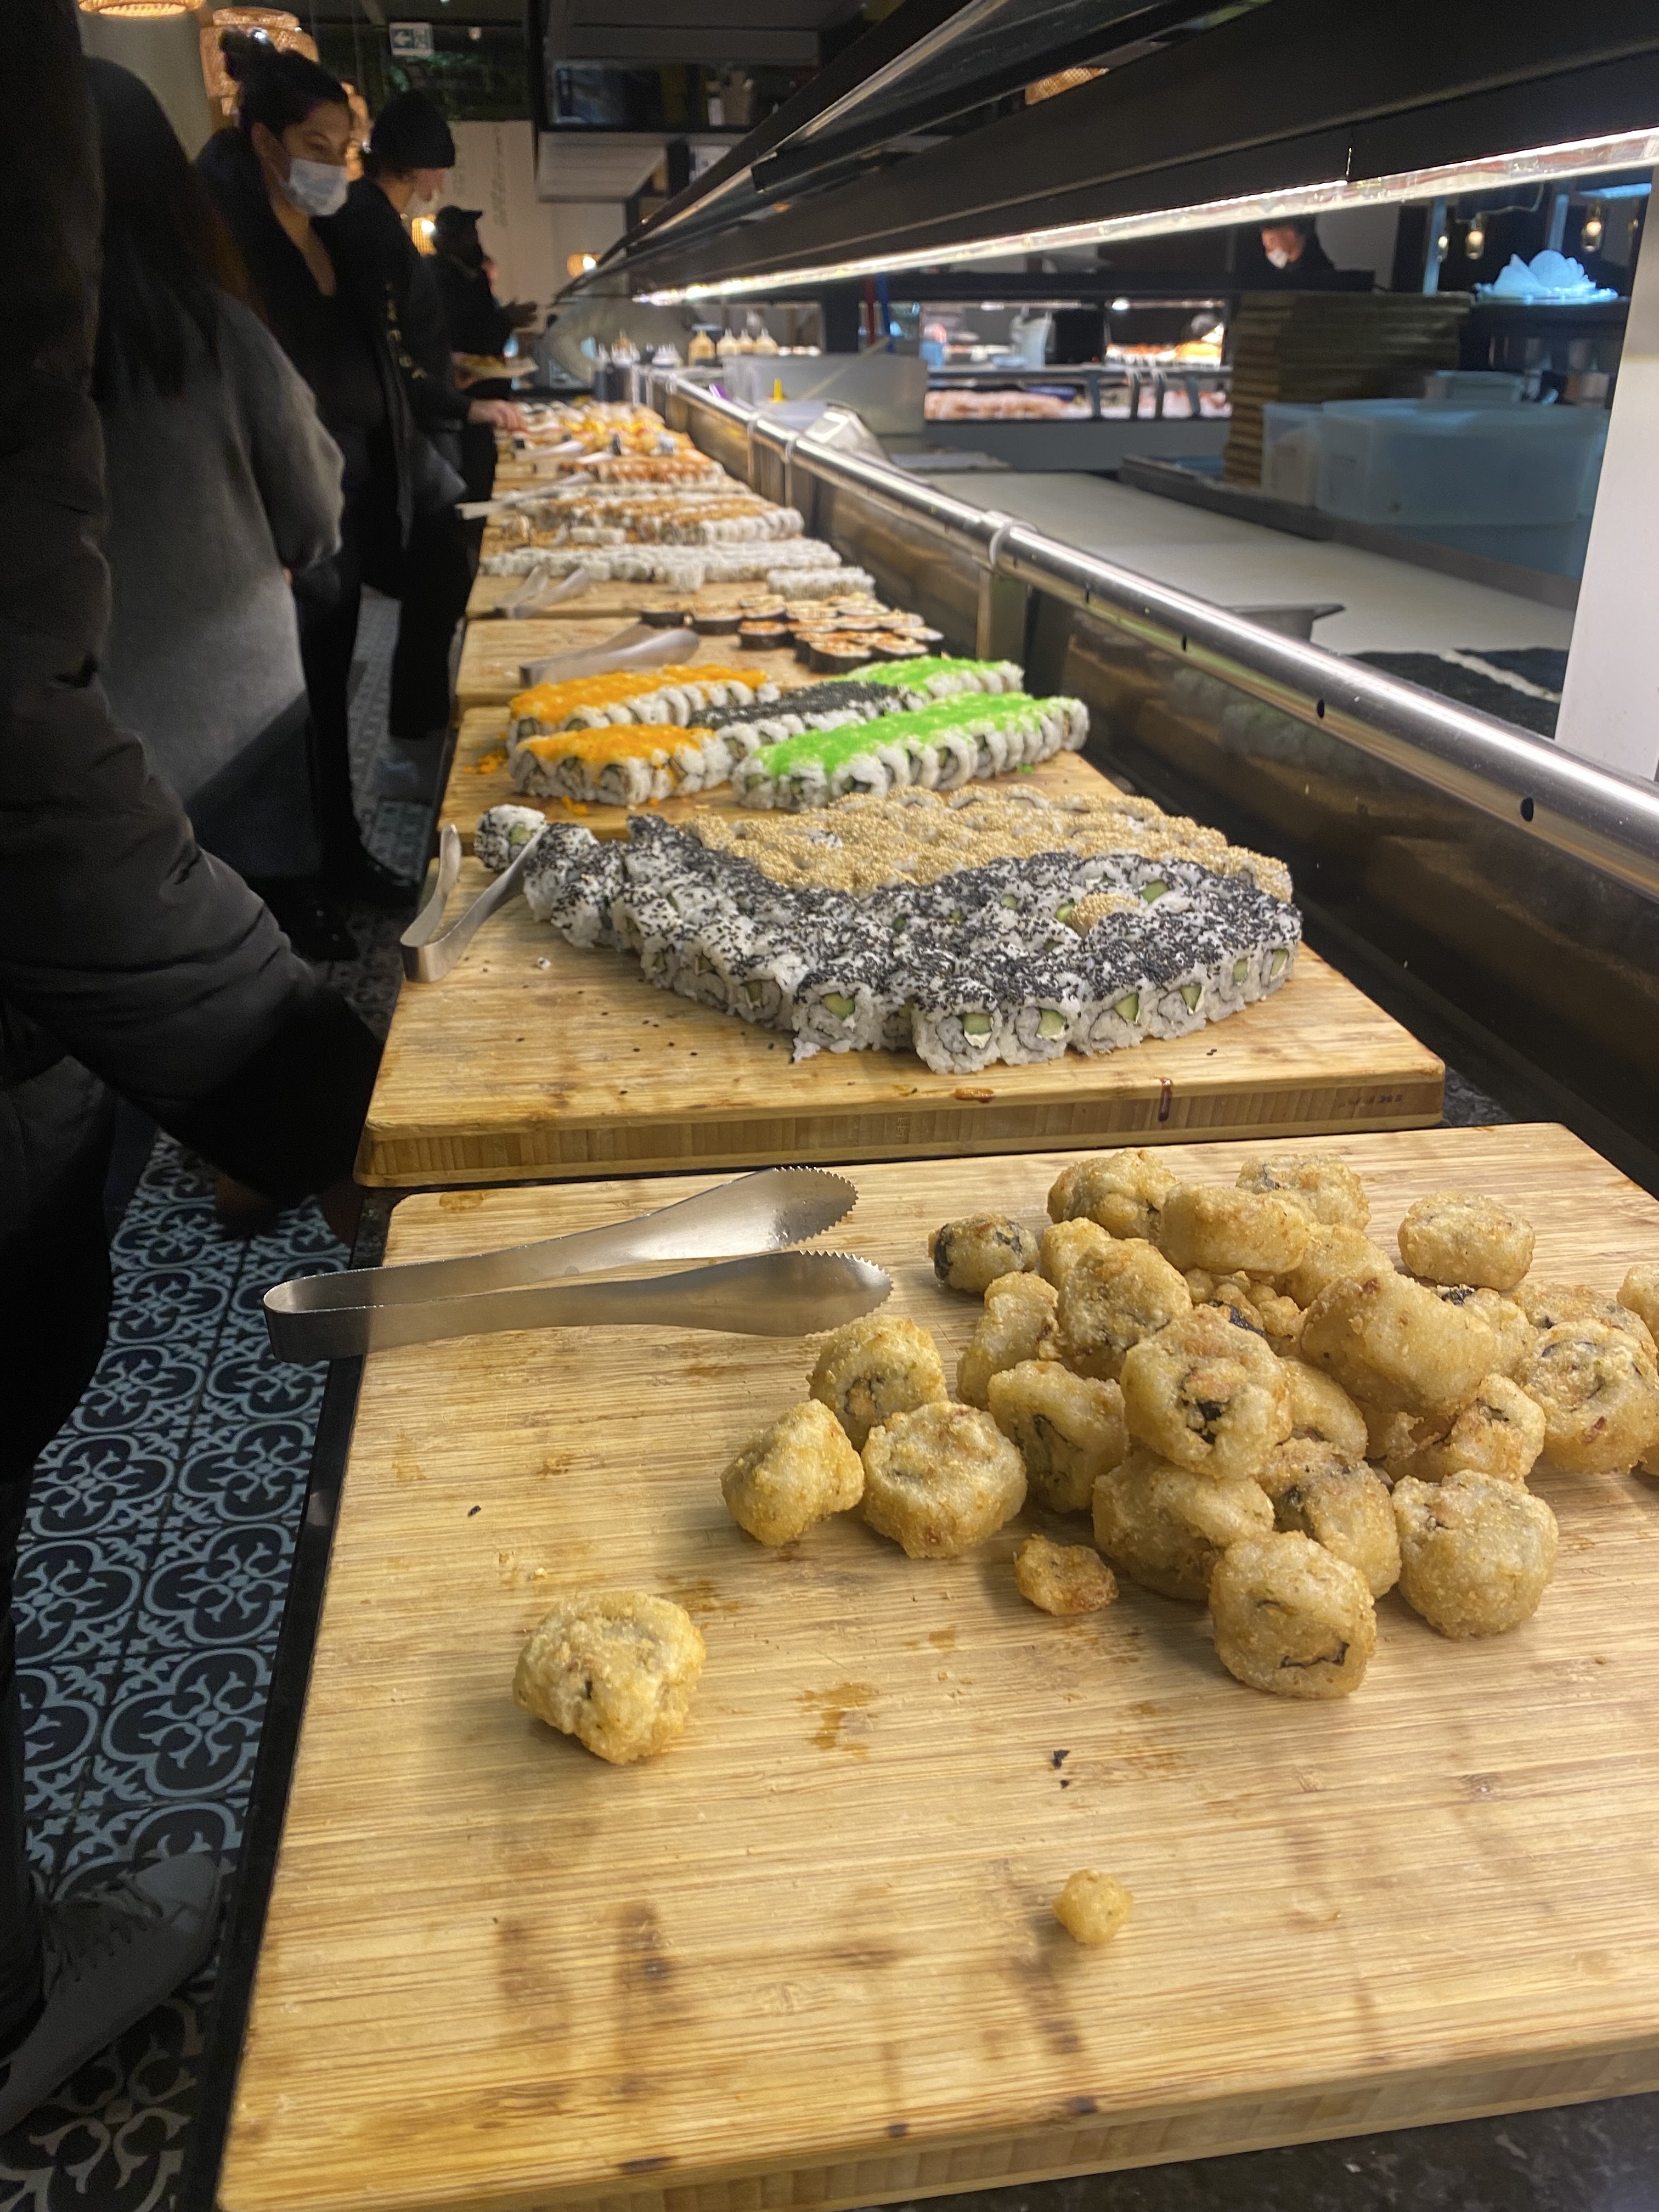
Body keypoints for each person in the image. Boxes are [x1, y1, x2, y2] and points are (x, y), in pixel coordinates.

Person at [1, 0, 382, 2131]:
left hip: (122, 870)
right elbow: (17, 765)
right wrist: (309, 1098)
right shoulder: (189, 312)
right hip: (175, 804)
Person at [86, 58, 355, 961]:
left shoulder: (34, 349)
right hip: (235, 703)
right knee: (248, 946)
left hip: (78, 731)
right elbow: (314, 508)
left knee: (126, 958)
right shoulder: (215, 328)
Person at [198, 38, 463, 902]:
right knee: (287, 711)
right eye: (315, 147)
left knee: (331, 693)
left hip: (345, 497)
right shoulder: (232, 252)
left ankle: (342, 856)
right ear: (264, 142)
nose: (333, 166)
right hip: (275, 519)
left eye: (343, 149)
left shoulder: (338, 240)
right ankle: (295, 886)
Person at [330, 89, 523, 797]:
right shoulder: (371, 227)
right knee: (435, 591)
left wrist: (451, 376)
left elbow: (404, 352)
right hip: (402, 448)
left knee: (438, 592)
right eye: (440, 166)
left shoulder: (373, 220)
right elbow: (391, 357)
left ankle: (415, 744)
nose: (442, 180)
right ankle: (409, 755)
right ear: (419, 165)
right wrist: (464, 404)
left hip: (411, 437)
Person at [428, 204, 536, 504]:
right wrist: (505, 320)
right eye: (467, 234)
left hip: (481, 398)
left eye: (474, 233)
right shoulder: (441, 277)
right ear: (446, 241)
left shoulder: (469, 276)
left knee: (482, 476)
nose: (475, 240)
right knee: (474, 484)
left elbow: (481, 330)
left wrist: (505, 318)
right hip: (463, 401)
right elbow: (470, 334)